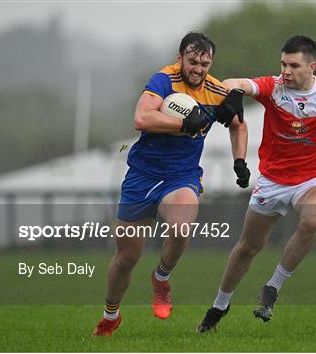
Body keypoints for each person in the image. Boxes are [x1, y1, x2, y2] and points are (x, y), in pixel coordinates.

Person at [197, 35, 316, 332]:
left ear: (312, 66)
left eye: (294, 65)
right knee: (248, 247)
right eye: (283, 63)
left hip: (313, 178)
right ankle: (219, 305)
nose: (286, 71)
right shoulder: (274, 87)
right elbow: (235, 82)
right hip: (272, 181)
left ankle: (272, 288)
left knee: (312, 221)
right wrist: (234, 92)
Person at [93, 31, 249, 336]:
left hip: (182, 176)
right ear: (180, 59)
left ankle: (161, 277)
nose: (198, 69)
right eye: (193, 61)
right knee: (126, 259)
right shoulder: (164, 81)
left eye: (205, 63)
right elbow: (141, 118)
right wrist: (183, 123)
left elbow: (238, 125)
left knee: (180, 227)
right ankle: (111, 314)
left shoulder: (215, 90)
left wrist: (239, 161)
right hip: (142, 176)